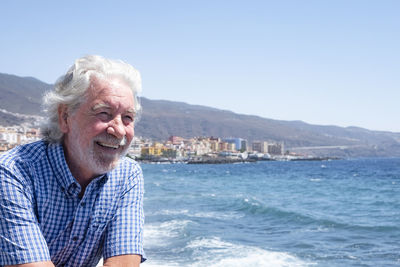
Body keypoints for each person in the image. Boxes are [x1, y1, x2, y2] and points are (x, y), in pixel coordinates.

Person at [0, 55, 145, 267]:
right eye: (104, 113)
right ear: (65, 117)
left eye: (128, 118)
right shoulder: (13, 172)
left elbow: (123, 263)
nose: (119, 130)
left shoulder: (127, 175)